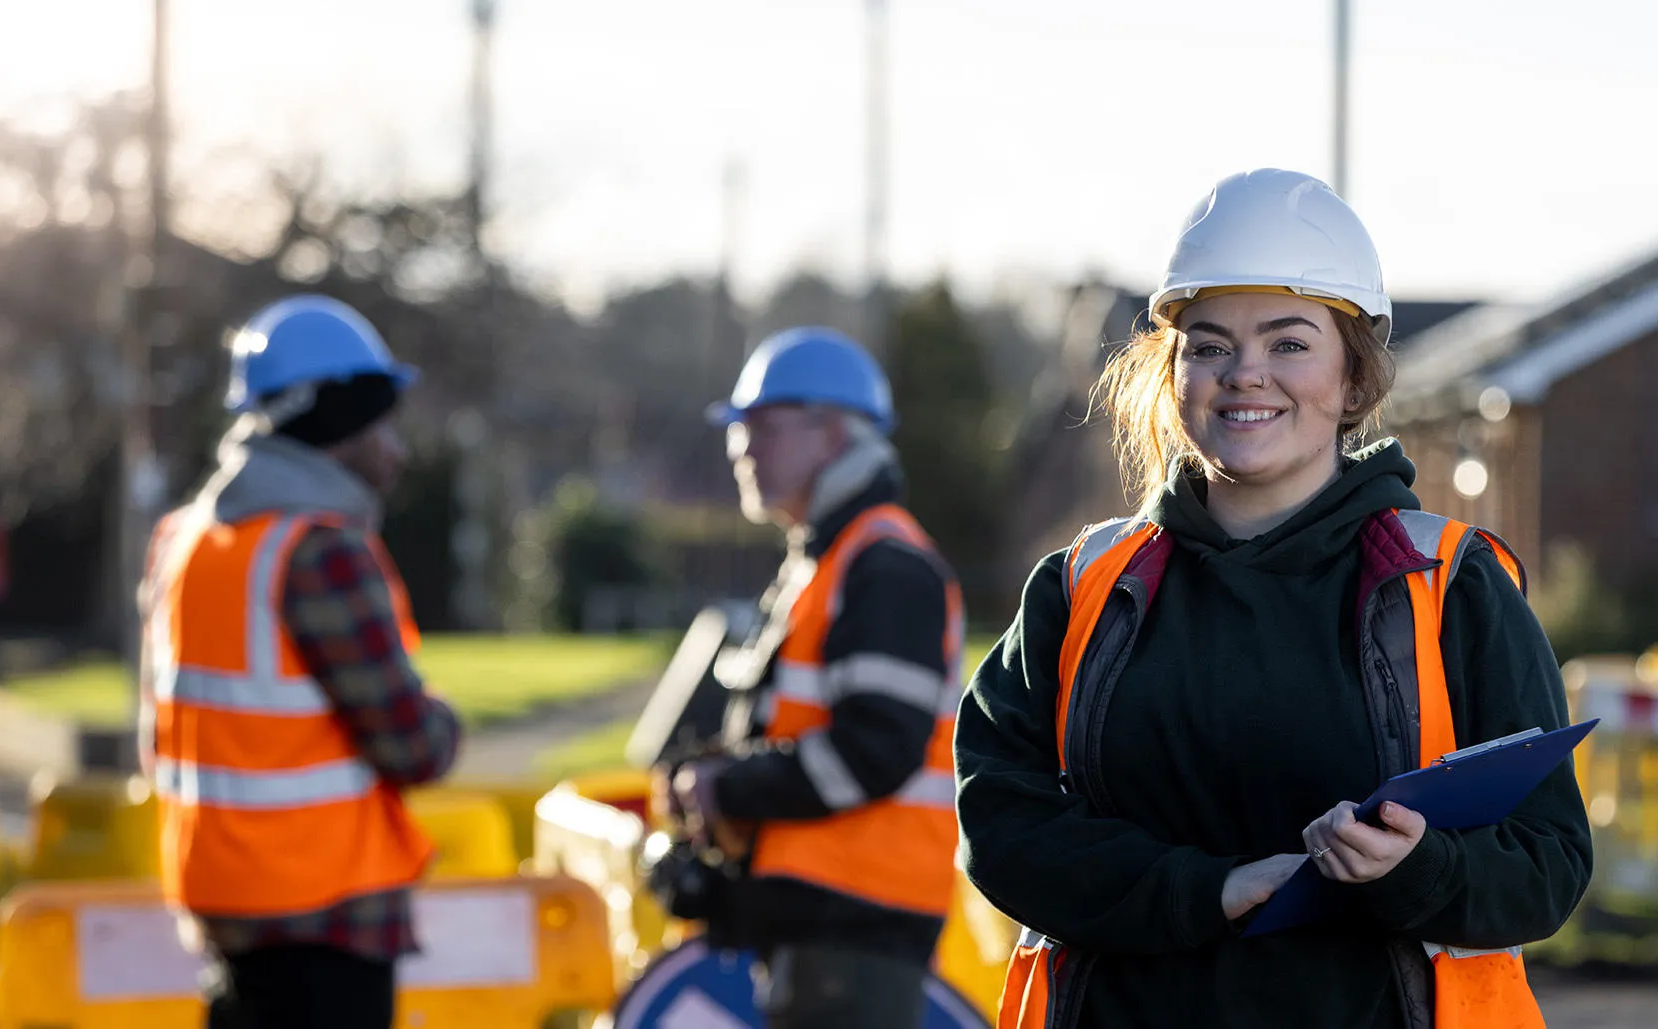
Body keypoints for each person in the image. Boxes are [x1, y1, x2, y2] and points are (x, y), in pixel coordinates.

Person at [954, 169, 1591, 1029]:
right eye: (1209, 345)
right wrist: (1204, 889)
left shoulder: (1451, 583)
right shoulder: (1081, 588)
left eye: (1289, 343)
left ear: (1355, 380)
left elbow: (1546, 862)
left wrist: (1417, 869)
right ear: (1172, 372)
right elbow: (998, 821)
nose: (1244, 374)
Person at [138, 294, 461, 1029]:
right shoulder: (320, 551)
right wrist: (442, 717)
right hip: (324, 918)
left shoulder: (180, 541)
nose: (398, 448)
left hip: (224, 909)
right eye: (383, 421)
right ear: (338, 423)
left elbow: (158, 741)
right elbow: (415, 746)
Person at [659, 326, 966, 1029]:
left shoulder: (883, 564)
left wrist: (726, 786)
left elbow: (872, 752)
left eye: (761, 426)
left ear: (832, 433)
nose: (740, 447)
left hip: (855, 928)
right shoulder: (829, 559)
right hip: (829, 929)